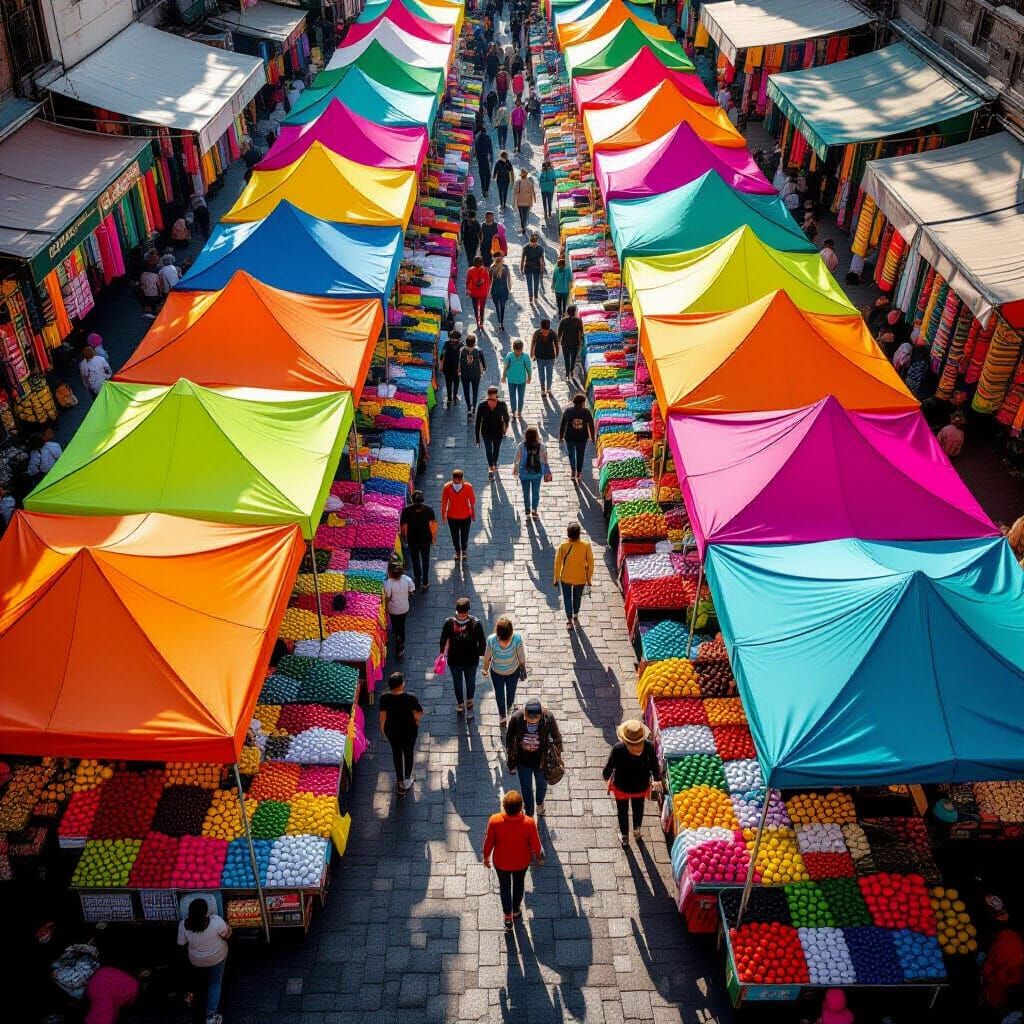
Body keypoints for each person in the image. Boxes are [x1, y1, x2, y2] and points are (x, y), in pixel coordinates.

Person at [482, 790, 543, 929]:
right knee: (518, 884)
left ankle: (507, 917)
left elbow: (488, 842)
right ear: (521, 807)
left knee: (504, 887)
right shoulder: (529, 822)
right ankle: (516, 910)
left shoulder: (495, 820)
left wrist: (486, 857)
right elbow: (536, 844)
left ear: (504, 806)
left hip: (501, 862)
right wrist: (539, 857)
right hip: (521, 862)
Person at [603, 719, 660, 846]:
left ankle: (624, 837)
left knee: (622, 811)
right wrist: (657, 779)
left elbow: (608, 768)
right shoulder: (649, 746)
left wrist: (606, 776)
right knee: (638, 808)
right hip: (641, 787)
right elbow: (655, 766)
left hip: (621, 787)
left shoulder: (618, 748)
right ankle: (637, 831)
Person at [505, 699, 562, 817]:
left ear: (540, 716)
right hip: (523, 760)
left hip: (542, 761)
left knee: (542, 785)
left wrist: (557, 757)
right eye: (529, 720)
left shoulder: (548, 718)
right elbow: (509, 741)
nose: (531, 723)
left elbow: (557, 738)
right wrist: (511, 763)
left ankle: (540, 803)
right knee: (526, 787)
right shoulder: (517, 718)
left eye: (534, 720)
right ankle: (529, 811)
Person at [177, 899, 231, 1022]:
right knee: (215, 983)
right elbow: (227, 935)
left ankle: (192, 1003)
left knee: (198, 982)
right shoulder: (216, 921)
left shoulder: (183, 925)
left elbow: (181, 944)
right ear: (206, 911)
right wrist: (229, 928)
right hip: (217, 957)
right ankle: (211, 1016)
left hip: (196, 960)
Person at [439, 597, 487, 715]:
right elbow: (482, 642)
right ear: (468, 610)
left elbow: (443, 638)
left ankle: (460, 704)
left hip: (454, 659)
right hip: (471, 660)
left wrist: (442, 652)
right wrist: (479, 653)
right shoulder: (476, 623)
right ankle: (469, 701)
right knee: (470, 681)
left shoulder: (449, 622)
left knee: (457, 682)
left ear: (456, 610)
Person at [379, 671, 423, 795]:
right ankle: (407, 779)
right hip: (409, 731)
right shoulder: (410, 698)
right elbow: (419, 712)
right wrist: (416, 721)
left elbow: (382, 716)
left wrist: (383, 731)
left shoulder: (384, 698)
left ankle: (399, 781)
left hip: (392, 732)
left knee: (396, 754)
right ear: (402, 685)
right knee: (408, 753)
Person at [482, 615, 527, 725]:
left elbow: (487, 657)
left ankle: (502, 716)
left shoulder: (491, 640)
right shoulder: (517, 638)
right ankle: (510, 707)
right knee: (511, 692)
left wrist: (485, 669)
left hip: (496, 672)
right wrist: (523, 669)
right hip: (513, 671)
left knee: (499, 693)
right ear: (511, 630)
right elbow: (521, 657)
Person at [553, 521, 594, 627]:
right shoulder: (586, 546)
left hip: (565, 578)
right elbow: (590, 563)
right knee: (577, 597)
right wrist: (589, 578)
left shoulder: (563, 546)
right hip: (580, 578)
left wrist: (556, 578)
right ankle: (576, 614)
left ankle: (569, 620)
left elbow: (557, 563)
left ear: (568, 534)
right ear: (579, 534)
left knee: (567, 598)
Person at [400, 489, 437, 590]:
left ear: (412, 500)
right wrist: (433, 538)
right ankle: (425, 581)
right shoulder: (429, 510)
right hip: (425, 539)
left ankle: (417, 576)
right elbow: (433, 526)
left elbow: (404, 526)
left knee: (415, 558)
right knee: (425, 559)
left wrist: (404, 538)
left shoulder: (406, 510)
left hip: (413, 540)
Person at [559, 393, 596, 483]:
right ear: (582, 403)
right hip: (582, 438)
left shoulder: (568, 411)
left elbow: (563, 424)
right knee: (580, 455)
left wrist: (561, 437)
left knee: (571, 455)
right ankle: (579, 473)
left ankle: (573, 471)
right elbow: (591, 425)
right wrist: (592, 437)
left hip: (569, 437)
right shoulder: (586, 412)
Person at [440, 469, 476, 561]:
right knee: (454, 535)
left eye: (458, 480)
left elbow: (472, 501)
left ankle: (463, 550)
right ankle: (458, 551)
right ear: (452, 478)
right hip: (452, 516)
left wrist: (473, 513)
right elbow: (444, 502)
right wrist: (443, 515)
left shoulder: (468, 487)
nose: (456, 482)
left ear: (461, 479)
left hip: (465, 516)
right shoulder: (447, 487)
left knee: (465, 534)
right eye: (454, 480)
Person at [475, 384, 510, 478]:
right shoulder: (482, 406)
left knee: (496, 449)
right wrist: (477, 438)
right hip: (486, 432)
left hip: (498, 432)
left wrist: (505, 429)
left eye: (493, 395)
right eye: (490, 395)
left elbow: (507, 418)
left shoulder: (502, 405)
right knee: (488, 449)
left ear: (496, 395)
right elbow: (478, 422)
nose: (491, 397)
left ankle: (494, 463)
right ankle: (491, 466)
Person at [514, 425, 548, 518]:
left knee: (526, 493)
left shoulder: (522, 445)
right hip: (537, 473)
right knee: (536, 492)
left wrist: (516, 469)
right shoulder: (541, 446)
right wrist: (546, 471)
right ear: (536, 435)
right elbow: (544, 460)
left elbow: (517, 459)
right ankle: (534, 511)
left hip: (524, 473)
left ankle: (527, 510)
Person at [384, 561, 415, 659]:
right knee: (401, 626)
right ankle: (400, 644)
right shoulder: (407, 579)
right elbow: (411, 590)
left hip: (393, 609)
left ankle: (398, 639)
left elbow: (387, 597)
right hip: (404, 607)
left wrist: (385, 606)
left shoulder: (389, 583)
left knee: (396, 625)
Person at [502, 339, 532, 418]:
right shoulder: (509, 356)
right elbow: (505, 367)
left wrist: (529, 377)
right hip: (511, 380)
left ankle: (519, 411)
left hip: (522, 380)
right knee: (512, 396)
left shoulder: (525, 356)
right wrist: (503, 376)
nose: (518, 352)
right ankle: (513, 410)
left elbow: (528, 368)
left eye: (520, 350)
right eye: (516, 350)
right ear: (513, 349)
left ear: (522, 349)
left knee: (521, 396)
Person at [531, 318, 559, 396]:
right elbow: (533, 343)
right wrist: (532, 354)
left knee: (549, 374)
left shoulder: (552, 333)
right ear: (541, 328)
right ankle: (542, 388)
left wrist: (557, 354)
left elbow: (556, 344)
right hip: (539, 357)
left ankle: (549, 388)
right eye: (543, 331)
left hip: (550, 357)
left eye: (547, 332)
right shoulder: (536, 333)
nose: (545, 333)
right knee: (541, 374)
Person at [460, 334, 487, 410]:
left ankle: (469, 407)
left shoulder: (462, 350)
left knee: (466, 392)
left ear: (466, 342)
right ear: (474, 342)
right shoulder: (478, 350)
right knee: (475, 391)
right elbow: (484, 364)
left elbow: (457, 362)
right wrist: (483, 369)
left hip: (464, 374)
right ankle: (474, 407)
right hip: (476, 374)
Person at [557, 303, 583, 378]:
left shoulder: (563, 321)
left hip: (565, 343)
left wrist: (558, 341)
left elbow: (559, 333)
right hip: (575, 343)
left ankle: (567, 373)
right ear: (575, 312)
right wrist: (581, 339)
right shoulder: (578, 321)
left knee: (566, 359)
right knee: (573, 359)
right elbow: (581, 332)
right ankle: (571, 370)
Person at [439, 331, 463, 408]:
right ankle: (451, 396)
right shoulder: (459, 345)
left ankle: (452, 396)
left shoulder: (459, 346)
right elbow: (442, 355)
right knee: (451, 382)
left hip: (454, 367)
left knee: (453, 382)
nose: (452, 340)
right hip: (449, 366)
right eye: (452, 338)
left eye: (454, 338)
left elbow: (462, 359)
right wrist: (441, 365)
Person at [466, 257, 491, 329]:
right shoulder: (485, 270)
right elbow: (487, 283)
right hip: (483, 293)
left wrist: (468, 290)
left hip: (474, 292)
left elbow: (468, 282)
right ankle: (482, 323)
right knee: (482, 308)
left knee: (475, 308)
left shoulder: (470, 270)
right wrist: (487, 291)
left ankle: (477, 322)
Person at [520, 231, 545, 302]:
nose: (534, 245)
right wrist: (521, 268)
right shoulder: (526, 248)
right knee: (529, 284)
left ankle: (536, 296)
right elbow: (522, 259)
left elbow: (542, 261)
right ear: (530, 242)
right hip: (528, 268)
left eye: (535, 244)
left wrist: (542, 271)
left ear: (537, 242)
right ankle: (531, 296)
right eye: (532, 244)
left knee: (536, 284)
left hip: (536, 268)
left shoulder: (540, 249)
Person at [490, 253, 512, 329]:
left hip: (495, 289)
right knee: (502, 307)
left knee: (497, 307)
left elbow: (490, 281)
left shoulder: (492, 267)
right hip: (504, 290)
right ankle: (501, 323)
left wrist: (489, 292)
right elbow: (509, 278)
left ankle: (499, 322)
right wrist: (509, 287)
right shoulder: (505, 267)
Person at [513, 168, 536, 235]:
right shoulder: (529, 183)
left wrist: (514, 200)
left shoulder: (518, 182)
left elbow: (515, 191)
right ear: (526, 175)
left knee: (521, 215)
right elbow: (532, 192)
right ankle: (524, 227)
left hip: (520, 201)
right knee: (525, 215)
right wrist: (532, 201)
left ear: (521, 175)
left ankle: (523, 226)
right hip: (527, 202)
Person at [475, 128, 493, 197]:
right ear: (485, 132)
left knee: (481, 174)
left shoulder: (478, 138)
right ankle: (486, 189)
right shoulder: (488, 138)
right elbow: (490, 150)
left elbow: (476, 148)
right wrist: (491, 159)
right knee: (488, 174)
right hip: (486, 158)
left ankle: (483, 188)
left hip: (480, 158)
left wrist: (476, 156)